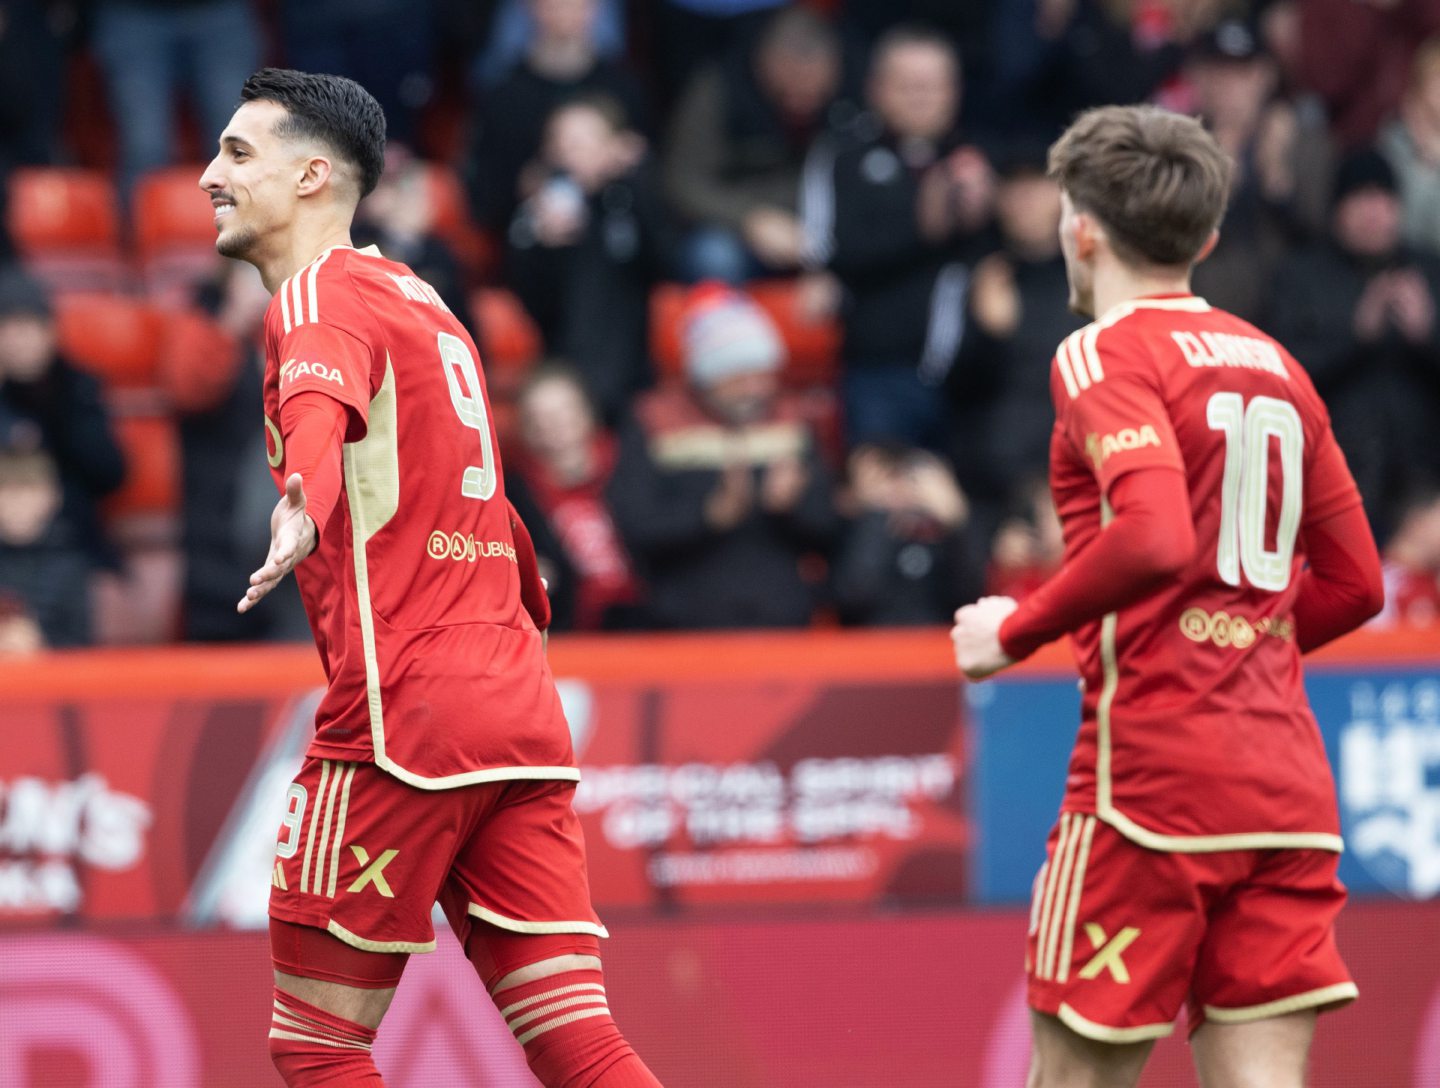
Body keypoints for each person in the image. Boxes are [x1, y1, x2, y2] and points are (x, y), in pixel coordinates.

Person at [199, 68, 661, 1087]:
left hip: (406, 713)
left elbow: (319, 402)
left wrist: (301, 500)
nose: (207, 177)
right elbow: (490, 511)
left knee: (318, 1045)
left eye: (236, 154)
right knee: (576, 1040)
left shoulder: (318, 293)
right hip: (517, 710)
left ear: (312, 174)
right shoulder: (427, 302)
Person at [952, 105, 1385, 1088]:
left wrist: (1014, 628)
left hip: (1146, 791)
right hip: (1284, 794)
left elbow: (1153, 532)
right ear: (1208, 237)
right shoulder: (1280, 366)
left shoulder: (1100, 353)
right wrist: (1245, 638)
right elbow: (1355, 583)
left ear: (1083, 228)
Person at [608, 285, 838, 628]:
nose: (756, 390)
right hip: (685, 627)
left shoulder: (791, 424)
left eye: (763, 375)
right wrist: (708, 517)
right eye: (739, 378)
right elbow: (634, 526)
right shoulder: (655, 422)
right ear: (705, 376)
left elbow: (830, 532)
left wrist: (793, 509)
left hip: (782, 626)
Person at [806, 23, 990, 451]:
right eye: (907, 86)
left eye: (933, 85)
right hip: (881, 371)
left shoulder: (981, 157)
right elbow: (832, 252)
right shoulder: (845, 156)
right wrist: (920, 229)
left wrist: (993, 212)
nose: (921, 97)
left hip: (974, 380)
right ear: (876, 88)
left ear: (955, 90)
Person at [1266, 149, 1440, 543]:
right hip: (1333, 485)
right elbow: (1277, 376)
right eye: (1360, 199)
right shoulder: (1301, 276)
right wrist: (1354, 338)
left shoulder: (1429, 270)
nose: (1374, 212)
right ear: (1337, 209)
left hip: (1424, 492)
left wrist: (1427, 336)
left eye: (1384, 198)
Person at [505, 95, 672, 421]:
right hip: (565, 361)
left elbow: (665, 262)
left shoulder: (629, 196)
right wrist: (544, 246)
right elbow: (529, 299)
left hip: (633, 364)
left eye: (583, 141)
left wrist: (634, 180)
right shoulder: (538, 212)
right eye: (561, 142)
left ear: (615, 146)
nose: (570, 151)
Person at [663, 5, 850, 283]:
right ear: (766, 63)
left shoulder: (854, 94)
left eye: (813, 91)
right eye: (791, 89)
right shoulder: (720, 90)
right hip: (738, 225)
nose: (802, 101)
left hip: (830, 222)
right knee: (714, 255)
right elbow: (683, 183)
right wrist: (750, 219)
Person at [513, 364, 644, 630]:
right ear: (527, 428)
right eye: (541, 417)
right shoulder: (518, 492)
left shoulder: (629, 466)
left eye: (564, 412)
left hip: (650, 621)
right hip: (570, 626)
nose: (556, 426)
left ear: (587, 412)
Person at [832, 441, 983, 626]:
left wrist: (955, 519)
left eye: (902, 477)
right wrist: (876, 517)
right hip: (870, 646)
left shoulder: (942, 535)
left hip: (937, 644)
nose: (897, 488)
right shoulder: (847, 532)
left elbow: (970, 595)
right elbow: (856, 596)